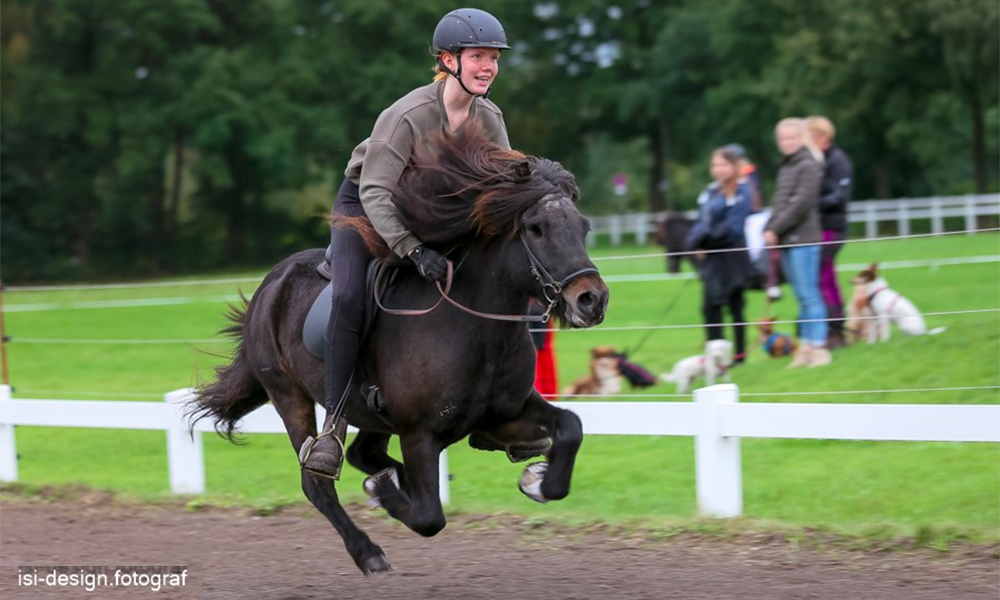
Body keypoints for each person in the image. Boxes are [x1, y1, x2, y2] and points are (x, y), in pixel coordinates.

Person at [301, 8, 513, 478]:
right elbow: (376, 191)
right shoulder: (407, 115)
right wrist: (413, 250)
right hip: (365, 206)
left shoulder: (490, 118)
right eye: (478, 56)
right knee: (352, 294)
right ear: (448, 59)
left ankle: (495, 412)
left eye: (494, 58)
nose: (488, 67)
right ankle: (333, 428)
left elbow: (498, 190)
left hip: (431, 211)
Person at [763, 118, 830, 368]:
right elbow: (780, 202)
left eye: (792, 138)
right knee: (801, 296)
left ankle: (819, 347)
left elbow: (801, 204)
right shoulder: (786, 166)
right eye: (783, 139)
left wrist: (776, 228)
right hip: (787, 240)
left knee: (810, 294)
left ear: (802, 138)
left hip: (804, 239)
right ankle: (806, 347)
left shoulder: (807, 165)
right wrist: (769, 227)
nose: (787, 143)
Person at [686, 147, 755, 365]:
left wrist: (705, 240)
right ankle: (716, 357)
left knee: (735, 307)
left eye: (723, 164)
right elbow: (701, 222)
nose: (718, 169)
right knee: (710, 308)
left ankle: (740, 356)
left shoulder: (742, 191)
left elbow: (733, 228)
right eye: (715, 165)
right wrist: (696, 243)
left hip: (732, 258)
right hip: (712, 259)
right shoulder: (709, 192)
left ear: (734, 166)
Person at [807, 116, 854, 350]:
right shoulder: (815, 161)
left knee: (824, 275)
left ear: (826, 137)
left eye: (814, 136)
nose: (811, 141)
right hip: (816, 227)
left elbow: (839, 197)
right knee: (819, 276)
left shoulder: (838, 161)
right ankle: (824, 327)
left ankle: (835, 328)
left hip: (832, 227)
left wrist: (811, 203)